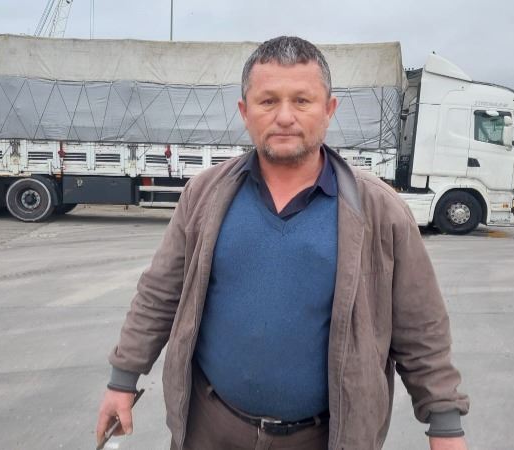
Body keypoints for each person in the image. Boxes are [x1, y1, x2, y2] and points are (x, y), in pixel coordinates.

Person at [96, 36, 469, 450]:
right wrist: (122, 381)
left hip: (324, 437)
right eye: (268, 101)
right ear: (245, 112)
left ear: (329, 110)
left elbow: (421, 328)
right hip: (211, 429)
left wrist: (444, 424)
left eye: (302, 101)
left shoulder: (381, 211)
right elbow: (159, 294)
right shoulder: (204, 196)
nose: (285, 117)